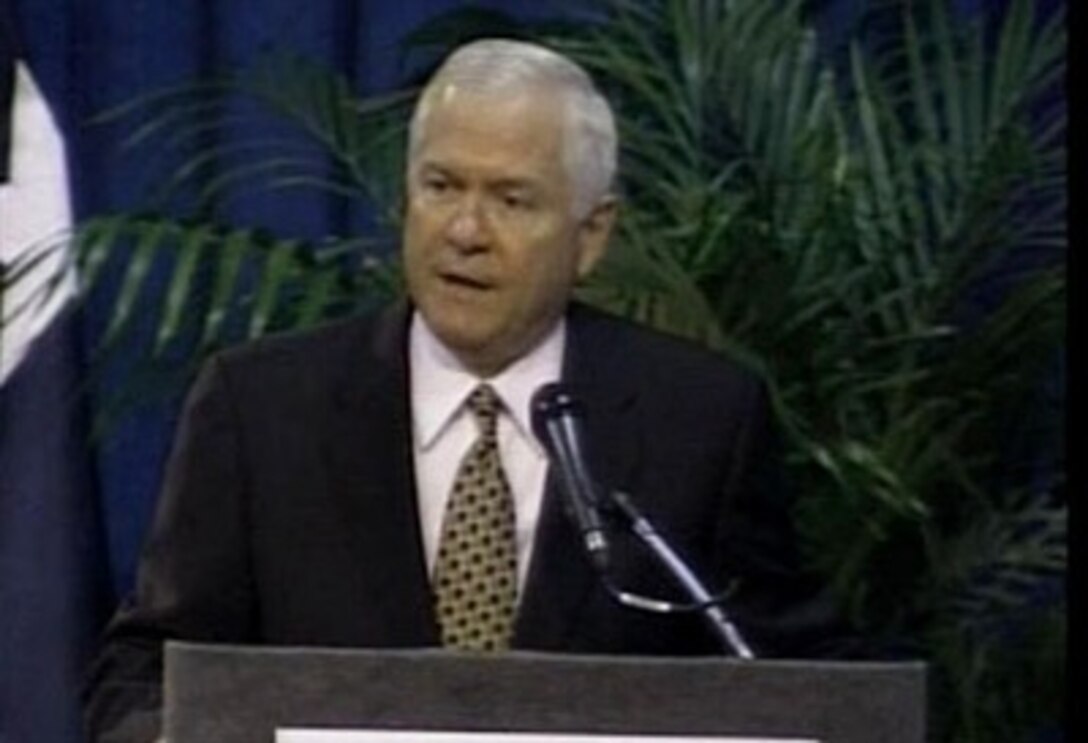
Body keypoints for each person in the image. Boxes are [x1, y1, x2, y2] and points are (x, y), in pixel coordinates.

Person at [84, 38, 840, 741]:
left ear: (592, 234)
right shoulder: (261, 408)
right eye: (442, 186)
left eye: (512, 200)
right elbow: (144, 677)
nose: (466, 230)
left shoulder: (701, 417)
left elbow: (792, 683)